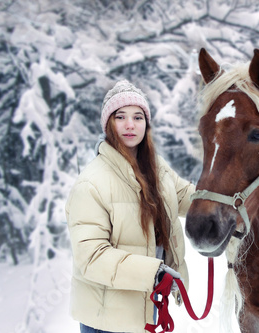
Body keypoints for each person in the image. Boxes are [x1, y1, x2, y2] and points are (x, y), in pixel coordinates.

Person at [65, 80, 195, 333]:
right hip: (106, 321)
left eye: (138, 117)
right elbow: (91, 257)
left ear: (146, 124)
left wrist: (228, 201)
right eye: (120, 117)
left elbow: (186, 197)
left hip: (145, 309)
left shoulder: (156, 168)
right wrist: (154, 272)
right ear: (108, 124)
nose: (129, 125)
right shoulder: (91, 183)